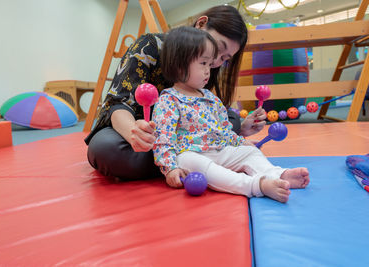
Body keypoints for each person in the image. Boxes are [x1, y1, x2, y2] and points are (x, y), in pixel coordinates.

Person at [85, 5, 266, 181]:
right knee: (105, 148)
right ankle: (197, 159)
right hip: (147, 134)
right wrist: (134, 133)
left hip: (188, 136)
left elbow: (207, 112)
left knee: (232, 119)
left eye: (225, 58)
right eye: (219, 49)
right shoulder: (149, 45)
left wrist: (240, 127)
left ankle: (193, 159)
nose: (215, 62)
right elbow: (119, 103)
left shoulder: (208, 65)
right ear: (201, 24)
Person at [152, 26, 310, 203]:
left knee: (250, 152)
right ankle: (256, 185)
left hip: (219, 150)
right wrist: (170, 168)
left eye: (209, 65)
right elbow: (162, 138)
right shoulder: (168, 100)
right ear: (179, 65)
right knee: (196, 164)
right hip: (191, 154)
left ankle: (277, 174)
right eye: (203, 64)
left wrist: (242, 143)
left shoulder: (211, 98)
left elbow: (225, 131)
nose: (208, 71)